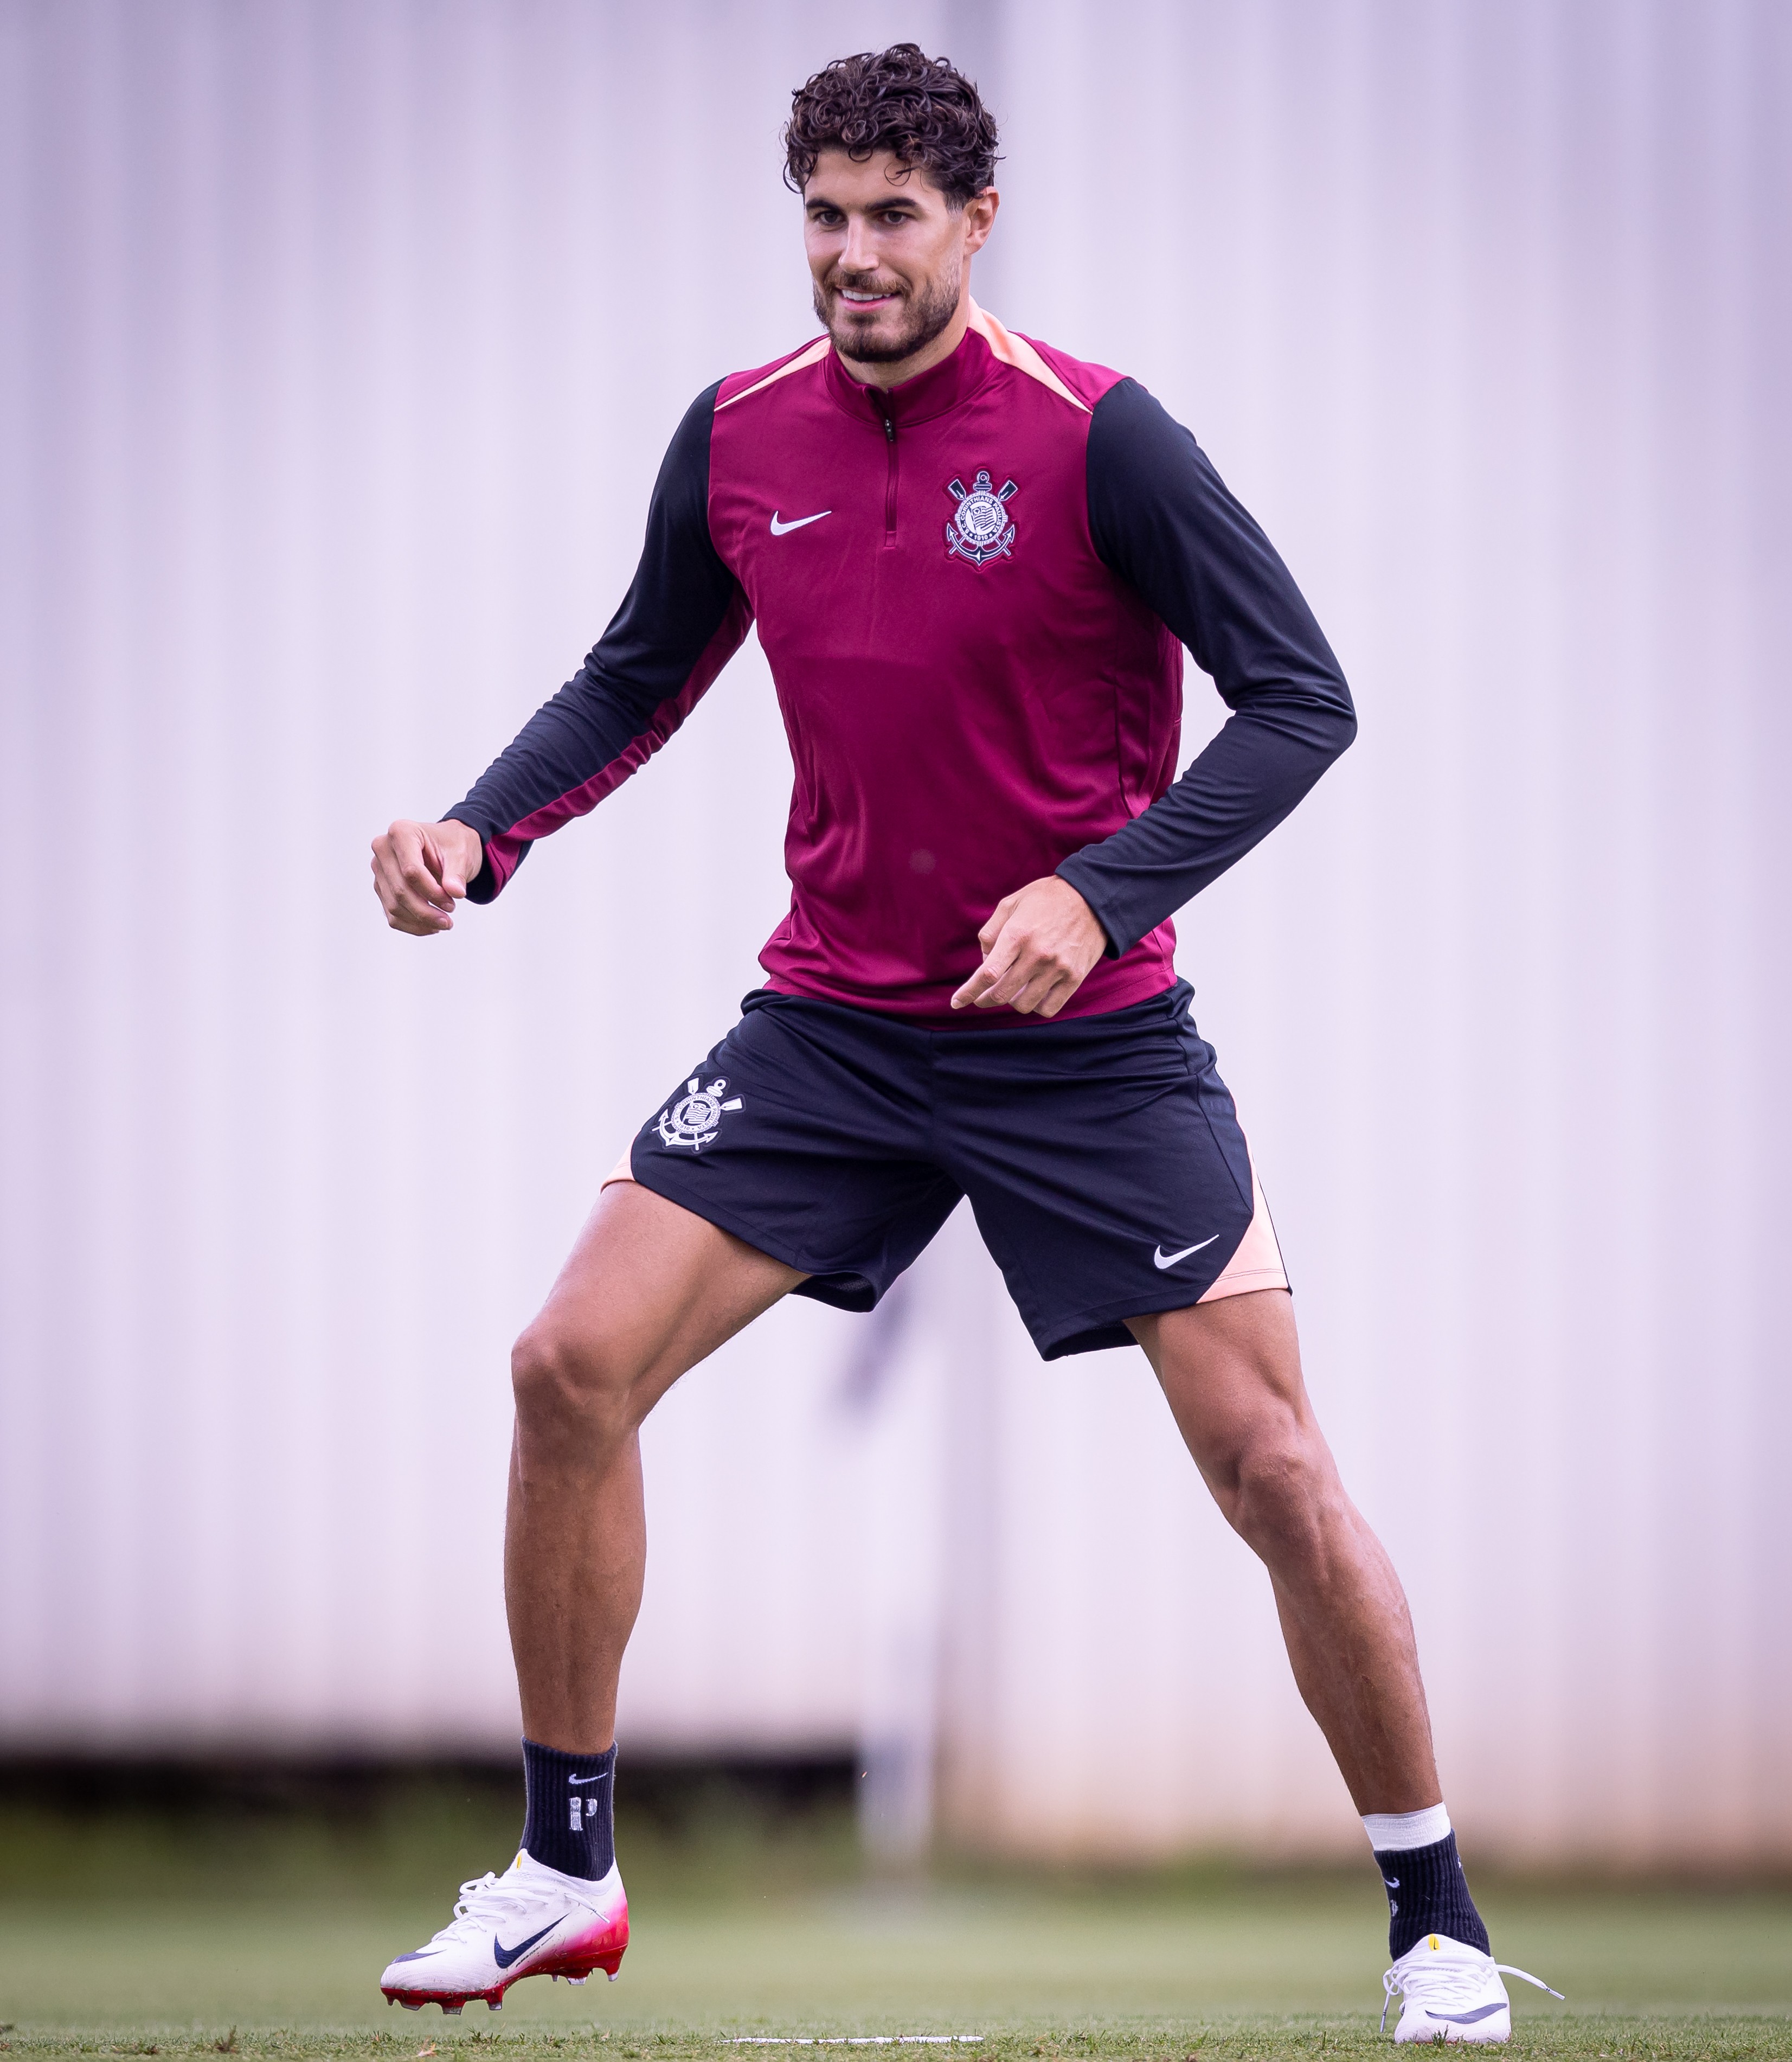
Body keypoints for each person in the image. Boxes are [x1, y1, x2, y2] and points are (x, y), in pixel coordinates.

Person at [368, 43, 1556, 2044]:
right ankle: (568, 1866)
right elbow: (637, 672)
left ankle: (1431, 1912)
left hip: (1091, 1040)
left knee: (1270, 1460)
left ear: (975, 218)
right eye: (822, 214)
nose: (851, 253)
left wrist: (1100, 885)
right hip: (835, 1025)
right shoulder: (739, 435)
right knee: (567, 1364)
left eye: (891, 215)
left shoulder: (1105, 437)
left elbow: (1299, 699)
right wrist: (480, 829)